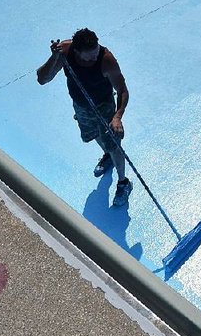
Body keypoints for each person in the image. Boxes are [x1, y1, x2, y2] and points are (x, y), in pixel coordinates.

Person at [37, 28, 132, 206]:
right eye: (89, 56)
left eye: (96, 52)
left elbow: (122, 90)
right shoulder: (64, 52)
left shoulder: (106, 60)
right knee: (93, 135)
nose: (94, 58)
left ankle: (123, 182)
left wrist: (117, 116)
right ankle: (107, 155)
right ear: (77, 51)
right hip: (81, 106)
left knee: (114, 145)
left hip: (105, 107)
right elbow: (42, 79)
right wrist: (54, 58)